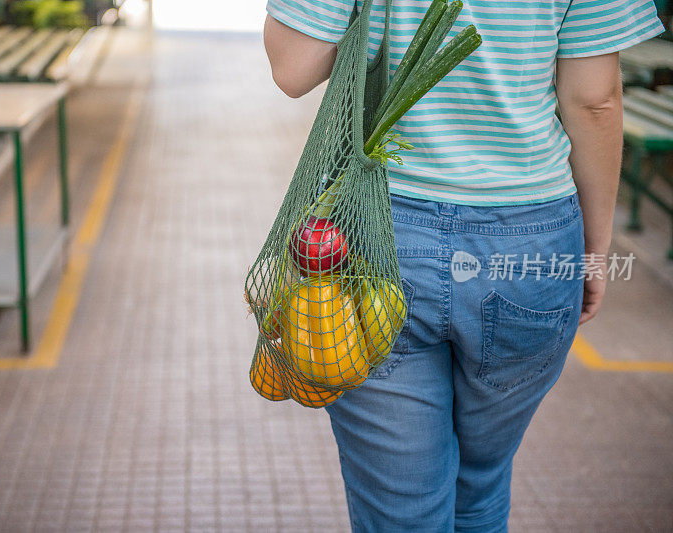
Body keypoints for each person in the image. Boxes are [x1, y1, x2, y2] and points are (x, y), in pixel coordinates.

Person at [262, 0, 664, 531]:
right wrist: (593, 251)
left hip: (372, 236)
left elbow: (294, 67)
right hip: (530, 245)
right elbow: (594, 99)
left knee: (401, 508)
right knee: (480, 482)